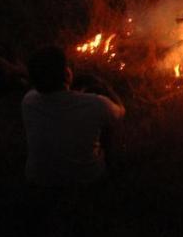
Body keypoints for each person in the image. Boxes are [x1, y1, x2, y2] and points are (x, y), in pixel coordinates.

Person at [22, 45, 125, 187]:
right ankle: (111, 164)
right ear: (67, 74)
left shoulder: (28, 101)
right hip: (88, 178)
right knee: (109, 120)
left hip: (39, 180)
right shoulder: (95, 104)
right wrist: (106, 87)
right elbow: (121, 111)